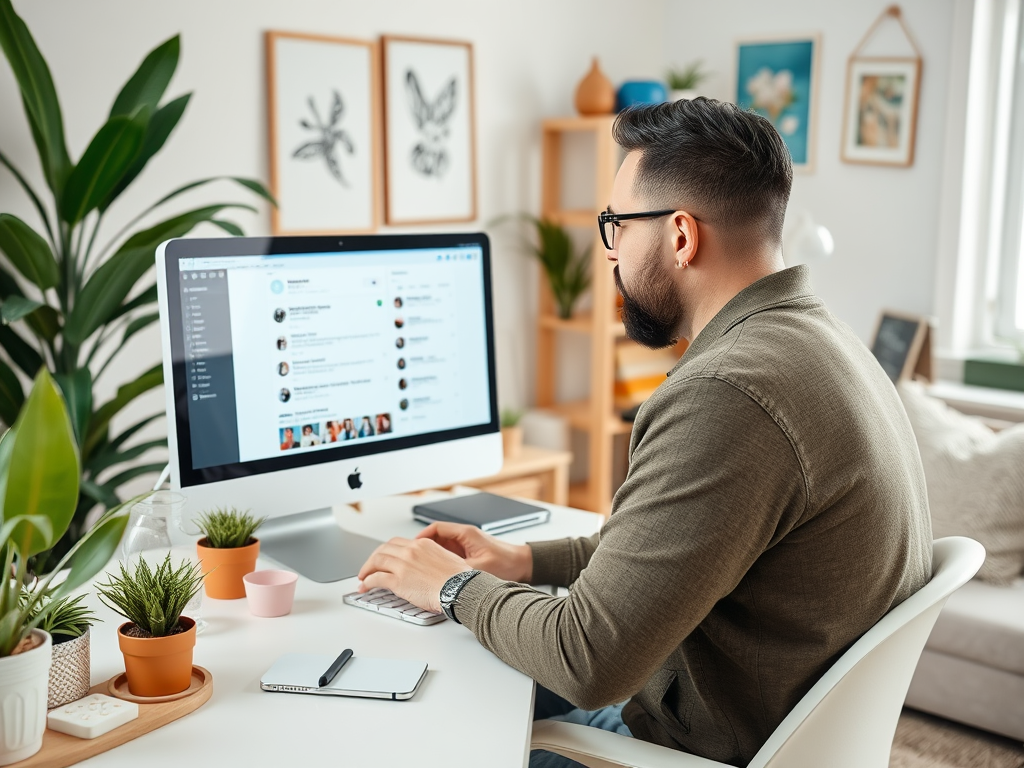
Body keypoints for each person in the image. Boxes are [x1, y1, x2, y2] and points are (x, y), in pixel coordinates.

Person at [356, 98, 932, 767]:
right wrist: (523, 564)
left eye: (616, 226)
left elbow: (587, 659)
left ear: (681, 236)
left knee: (432, 733)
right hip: (765, 724)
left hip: (693, 748)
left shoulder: (729, 393)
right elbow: (663, 551)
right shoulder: (820, 339)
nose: (611, 255)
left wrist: (451, 588)